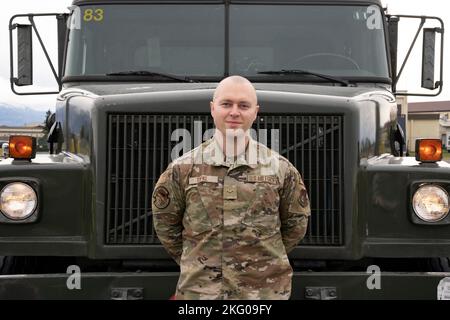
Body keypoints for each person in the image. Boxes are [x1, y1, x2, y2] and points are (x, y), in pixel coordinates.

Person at [152, 75, 310, 300]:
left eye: (243, 105)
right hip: (200, 293)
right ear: (212, 108)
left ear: (255, 112)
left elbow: (295, 225)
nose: (234, 112)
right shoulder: (182, 168)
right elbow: (166, 224)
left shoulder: (280, 169)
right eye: (226, 104)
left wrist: (259, 259)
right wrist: (197, 258)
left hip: (263, 294)